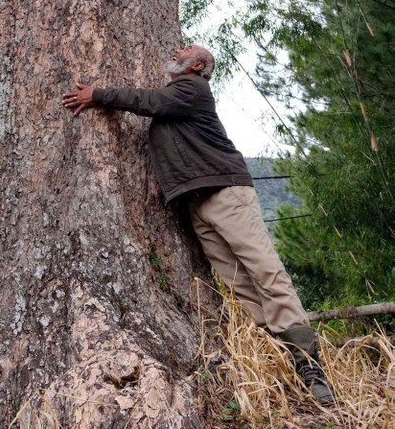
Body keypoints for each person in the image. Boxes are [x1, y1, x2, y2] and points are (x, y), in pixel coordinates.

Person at [62, 43, 335, 406]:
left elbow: (150, 101)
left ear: (197, 66)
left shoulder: (192, 89)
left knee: (266, 272)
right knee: (240, 285)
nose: (176, 50)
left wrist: (98, 95)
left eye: (186, 49)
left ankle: (310, 367)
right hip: (198, 203)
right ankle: (281, 362)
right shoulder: (182, 93)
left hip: (226, 193)